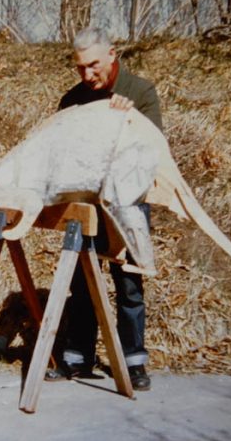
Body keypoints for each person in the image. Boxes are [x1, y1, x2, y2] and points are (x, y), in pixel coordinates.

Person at [45, 27, 163, 391]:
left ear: (112, 55)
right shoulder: (72, 100)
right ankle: (77, 356)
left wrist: (129, 123)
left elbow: (152, 153)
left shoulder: (141, 92)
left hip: (127, 204)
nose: (87, 74)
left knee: (128, 283)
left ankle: (133, 362)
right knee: (80, 280)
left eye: (93, 65)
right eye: (80, 68)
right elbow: (61, 155)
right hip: (83, 205)